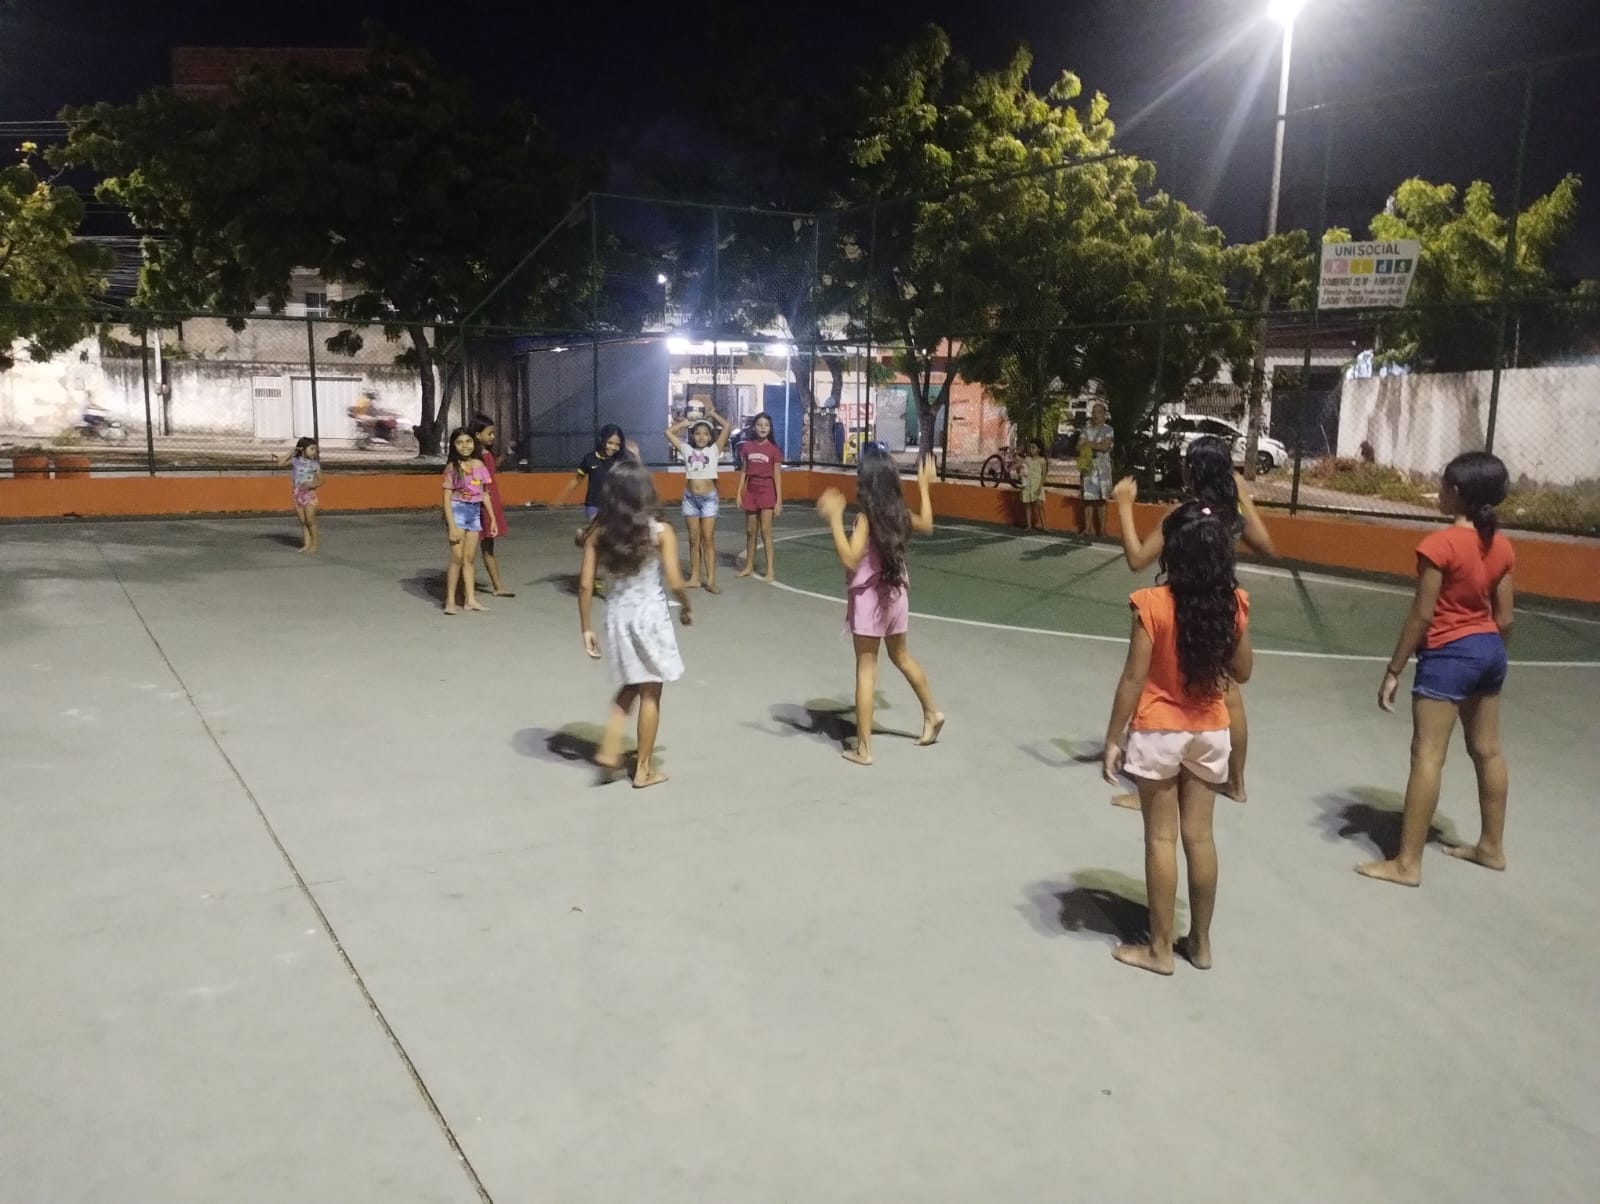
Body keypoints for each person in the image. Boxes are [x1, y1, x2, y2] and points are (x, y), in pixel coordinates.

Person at [1102, 502, 1253, 975]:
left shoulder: (1152, 604)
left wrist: (1113, 738)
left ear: (1172, 551)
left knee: (1161, 838)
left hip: (1159, 729)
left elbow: (1133, 678)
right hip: (1210, 728)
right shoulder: (1233, 603)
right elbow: (1243, 671)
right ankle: (1201, 944)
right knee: (1200, 837)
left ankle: (1160, 950)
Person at [1357, 451, 1515, 888]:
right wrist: (1490, 656)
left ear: (1457, 492)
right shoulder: (1501, 545)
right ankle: (1491, 848)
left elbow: (1422, 616)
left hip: (1448, 656)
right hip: (1489, 651)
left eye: (1444, 485)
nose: (1439, 492)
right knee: (1488, 750)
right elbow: (1505, 618)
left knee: (1427, 755)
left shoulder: (1439, 546)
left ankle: (1407, 864)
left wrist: (1394, 669)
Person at [1111, 435, 1276, 803]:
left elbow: (1137, 559)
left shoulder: (1183, 515)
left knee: (1161, 690)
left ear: (1191, 471)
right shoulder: (1231, 516)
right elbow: (1266, 543)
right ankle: (1236, 783)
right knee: (1227, 692)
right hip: (1220, 608)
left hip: (1181, 607)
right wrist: (1242, 494)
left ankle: (1150, 789)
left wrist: (1124, 506)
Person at [816, 448, 945, 766]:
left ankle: (864, 749)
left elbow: (850, 558)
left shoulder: (866, 520)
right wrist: (924, 487)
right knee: (901, 656)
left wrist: (835, 519)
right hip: (896, 595)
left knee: (866, 668)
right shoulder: (899, 513)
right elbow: (927, 524)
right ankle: (932, 712)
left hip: (870, 601)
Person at [578, 460, 693, 789]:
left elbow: (585, 584)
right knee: (651, 690)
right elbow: (675, 581)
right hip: (650, 616)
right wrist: (686, 607)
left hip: (617, 616)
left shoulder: (598, 532)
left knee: (631, 682)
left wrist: (586, 628)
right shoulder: (660, 532)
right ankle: (643, 769)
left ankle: (610, 747)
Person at [665, 406, 731, 592]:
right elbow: (668, 433)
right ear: (692, 436)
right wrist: (684, 423)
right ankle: (695, 577)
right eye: (698, 433)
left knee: (707, 538)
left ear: (710, 437)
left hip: (709, 500)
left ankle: (711, 580)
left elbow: (727, 426)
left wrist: (712, 414)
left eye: (705, 434)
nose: (702, 437)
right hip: (690, 500)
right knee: (694, 540)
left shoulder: (714, 450)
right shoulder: (686, 449)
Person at [441, 427, 498, 615]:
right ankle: (450, 600)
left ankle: (470, 599)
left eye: (468, 441)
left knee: (469, 558)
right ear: (453, 446)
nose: (464, 446)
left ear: (474, 443)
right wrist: (451, 526)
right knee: (457, 558)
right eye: (459, 442)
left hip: (474, 514)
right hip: (457, 513)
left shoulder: (479, 465)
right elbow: (446, 498)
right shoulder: (452, 468)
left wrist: (492, 519)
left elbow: (484, 494)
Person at [467, 414, 514, 598]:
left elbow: (493, 468)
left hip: (489, 503)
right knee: (470, 550)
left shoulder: (487, 455)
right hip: (479, 505)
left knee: (488, 546)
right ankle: (466, 589)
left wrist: (506, 454)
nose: (493, 436)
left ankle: (498, 586)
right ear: (477, 435)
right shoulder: (474, 458)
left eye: (493, 433)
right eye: (490, 433)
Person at [734, 413, 783, 581]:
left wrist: (778, 500)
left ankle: (770, 570)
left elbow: (777, 476)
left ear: (770, 428)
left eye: (766, 425)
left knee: (766, 531)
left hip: (767, 491)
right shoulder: (747, 447)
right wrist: (739, 493)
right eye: (759, 424)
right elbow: (744, 472)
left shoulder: (774, 450)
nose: (763, 428)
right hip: (751, 491)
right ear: (754, 427)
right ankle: (748, 566)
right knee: (750, 531)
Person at [556, 424, 627, 522]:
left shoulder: (621, 460)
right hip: (593, 506)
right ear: (602, 439)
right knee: (600, 527)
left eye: (617, 444)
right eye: (610, 443)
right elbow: (576, 480)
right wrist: (561, 497)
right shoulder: (589, 459)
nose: (613, 447)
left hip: (615, 507)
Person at [1080, 402, 1115, 537]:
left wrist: (1088, 444)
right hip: (1089, 466)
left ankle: (1102, 530)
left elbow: (1104, 447)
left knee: (1102, 499)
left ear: (1104, 415)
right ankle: (1087, 529)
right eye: (1094, 412)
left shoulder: (1108, 430)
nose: (1095, 415)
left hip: (1103, 468)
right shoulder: (1086, 429)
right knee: (1088, 498)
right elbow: (1079, 446)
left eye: (1099, 412)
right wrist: (1094, 445)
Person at [288, 437, 322, 554]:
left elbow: (322, 480)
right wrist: (292, 452)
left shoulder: (314, 464)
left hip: (309, 495)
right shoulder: (295, 461)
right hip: (297, 494)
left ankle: (314, 545)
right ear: (302, 449)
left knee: (310, 520)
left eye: (315, 449)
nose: (314, 452)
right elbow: (280, 463)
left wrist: (312, 485)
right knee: (303, 522)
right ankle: (306, 545)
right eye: (311, 449)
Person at [1020, 438, 1047, 531]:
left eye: (1033, 447)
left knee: (1040, 506)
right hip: (1028, 485)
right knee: (1027, 505)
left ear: (1039, 449)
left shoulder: (1042, 460)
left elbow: (1043, 474)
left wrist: (1040, 487)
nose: (1031, 449)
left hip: (1037, 485)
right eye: (1030, 447)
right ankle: (1029, 525)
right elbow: (1021, 467)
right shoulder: (1027, 459)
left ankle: (1045, 527)